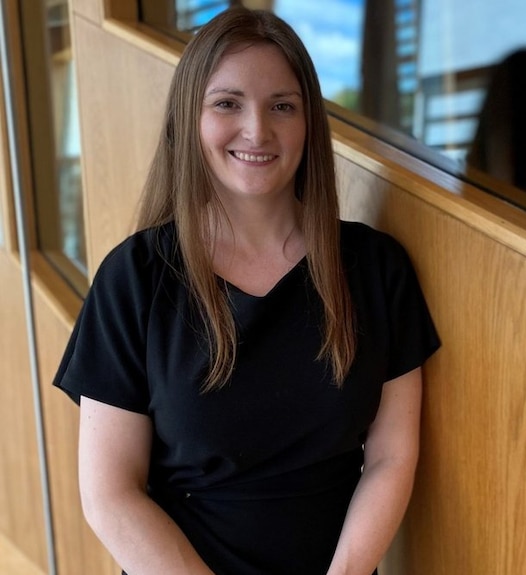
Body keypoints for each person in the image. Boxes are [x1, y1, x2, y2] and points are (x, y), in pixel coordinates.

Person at [52, 7, 440, 575]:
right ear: (191, 118)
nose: (257, 130)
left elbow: (390, 458)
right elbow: (110, 495)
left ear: (309, 123)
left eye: (282, 105)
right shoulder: (133, 279)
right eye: (227, 103)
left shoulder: (376, 270)